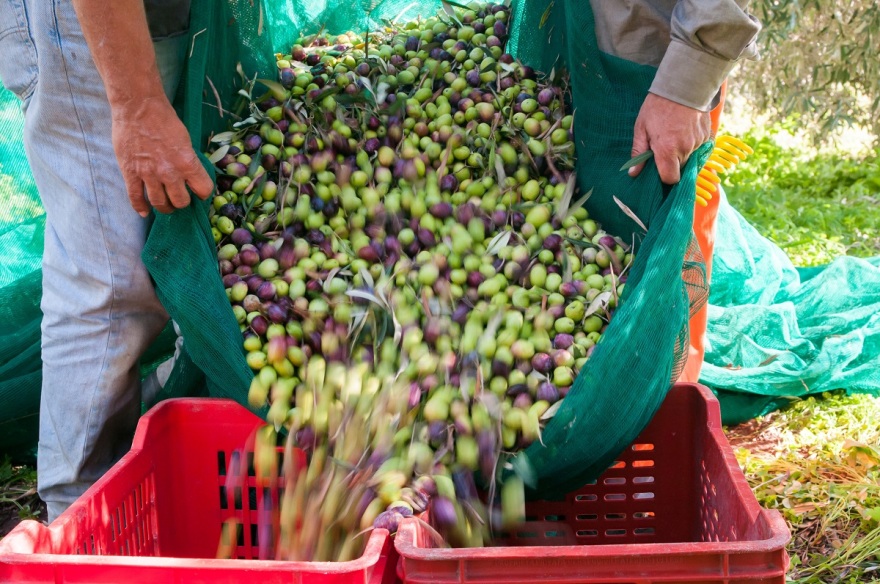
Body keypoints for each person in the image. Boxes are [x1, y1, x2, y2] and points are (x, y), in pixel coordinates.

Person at [0, 0, 212, 522]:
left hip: (150, 17)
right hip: (84, 21)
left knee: (168, 245)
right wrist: (137, 106)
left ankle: (146, 464)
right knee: (110, 286)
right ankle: (79, 524)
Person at [589, 0, 761, 381]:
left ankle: (669, 388)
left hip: (657, 71)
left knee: (669, 253)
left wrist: (686, 85)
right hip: (588, 59)